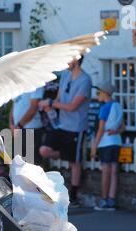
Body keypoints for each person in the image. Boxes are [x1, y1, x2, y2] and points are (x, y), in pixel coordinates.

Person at [39, 56, 92, 207]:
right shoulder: (66, 76)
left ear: (77, 60)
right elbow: (59, 99)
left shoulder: (85, 80)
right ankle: (64, 153)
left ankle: (74, 195)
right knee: (44, 150)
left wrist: (50, 103)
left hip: (76, 127)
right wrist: (51, 108)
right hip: (61, 124)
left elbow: (72, 106)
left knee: (74, 162)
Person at [91, 82, 124, 211]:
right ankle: (111, 200)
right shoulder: (117, 106)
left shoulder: (104, 108)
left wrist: (94, 147)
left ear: (105, 93)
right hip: (116, 141)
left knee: (106, 173)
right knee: (114, 172)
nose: (97, 95)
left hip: (105, 142)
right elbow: (122, 126)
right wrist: (116, 131)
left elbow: (100, 130)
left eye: (99, 92)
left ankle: (104, 200)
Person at [10, 86, 45, 166]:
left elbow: (33, 108)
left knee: (32, 165)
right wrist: (11, 124)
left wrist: (19, 126)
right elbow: (14, 105)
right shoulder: (17, 84)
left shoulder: (36, 83)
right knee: (17, 164)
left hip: (31, 129)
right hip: (18, 129)